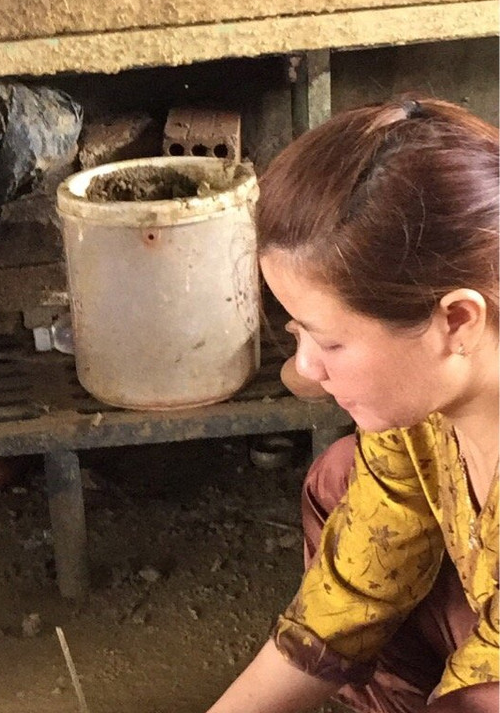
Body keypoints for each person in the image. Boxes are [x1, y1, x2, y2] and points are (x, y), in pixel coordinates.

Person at [207, 97, 498, 713]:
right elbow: (355, 590)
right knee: (344, 481)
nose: (306, 369)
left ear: (457, 320)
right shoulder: (427, 415)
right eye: (299, 335)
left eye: (330, 339)